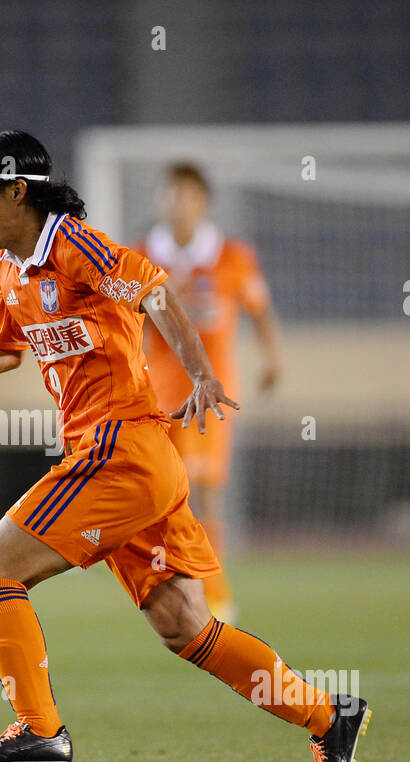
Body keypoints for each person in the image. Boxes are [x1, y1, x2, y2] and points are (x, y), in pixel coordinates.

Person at [0, 130, 370, 762]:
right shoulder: (10, 269)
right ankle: (328, 715)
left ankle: (41, 728)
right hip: (135, 463)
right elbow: (6, 348)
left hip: (121, 451)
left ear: (15, 190)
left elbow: (157, 293)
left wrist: (199, 371)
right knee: (186, 626)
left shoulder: (74, 243)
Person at [138, 162, 283, 622]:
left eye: (186, 194)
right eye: (169, 194)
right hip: (156, 395)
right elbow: (128, 322)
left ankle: (213, 589)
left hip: (211, 395)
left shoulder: (233, 256)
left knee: (204, 490)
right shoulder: (140, 257)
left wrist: (272, 358)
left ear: (203, 201)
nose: (177, 203)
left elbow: (258, 308)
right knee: (162, 495)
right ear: (159, 201)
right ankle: (175, 580)